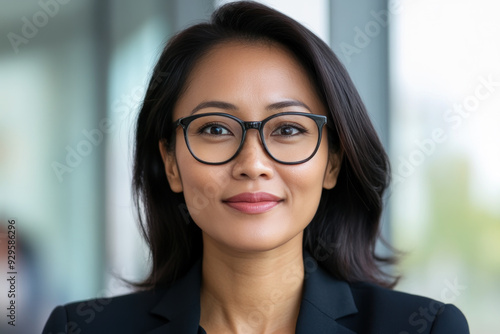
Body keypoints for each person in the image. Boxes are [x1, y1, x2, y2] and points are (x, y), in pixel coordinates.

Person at [42, 1, 469, 333]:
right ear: (170, 162)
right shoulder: (82, 329)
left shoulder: (424, 328)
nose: (253, 164)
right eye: (214, 129)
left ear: (332, 163)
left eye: (287, 130)